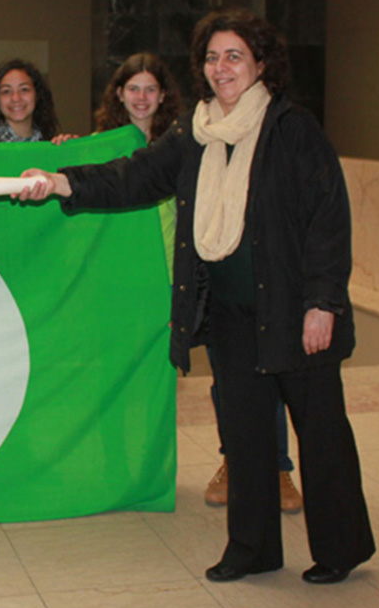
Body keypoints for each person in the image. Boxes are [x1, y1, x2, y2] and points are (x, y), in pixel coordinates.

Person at [14, 8, 374, 585]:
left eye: (234, 56)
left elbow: (328, 220)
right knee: (247, 434)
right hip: (229, 313)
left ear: (260, 64)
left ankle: (341, 547)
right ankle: (252, 549)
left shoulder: (291, 128)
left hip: (294, 307)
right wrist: (62, 181)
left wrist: (323, 302)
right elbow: (135, 176)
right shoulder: (195, 134)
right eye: (212, 57)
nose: (221, 67)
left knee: (321, 430)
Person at [99, 53, 302, 513]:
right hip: (130, 286)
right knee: (139, 380)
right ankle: (130, 467)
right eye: (133, 88)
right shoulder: (102, 146)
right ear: (118, 94)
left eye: (151, 88)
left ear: (165, 95)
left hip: (195, 278)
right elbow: (99, 183)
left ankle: (276, 468)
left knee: (241, 369)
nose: (142, 98)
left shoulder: (195, 138)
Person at [0, 59, 71, 143]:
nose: (16, 98)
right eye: (6, 91)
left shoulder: (50, 145)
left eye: (24, 89)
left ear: (37, 95)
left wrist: (73, 152)